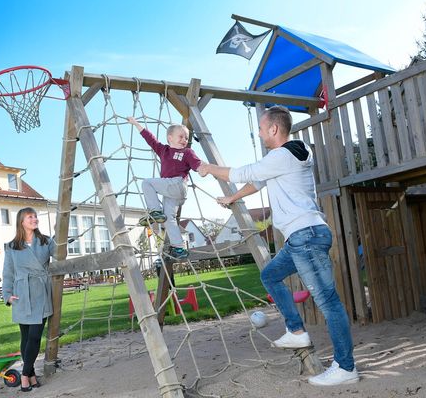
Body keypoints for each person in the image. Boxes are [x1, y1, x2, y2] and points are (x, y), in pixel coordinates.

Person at [197, 105, 358, 386]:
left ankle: (345, 367)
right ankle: (296, 331)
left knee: (329, 303)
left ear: (273, 129)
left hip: (305, 236)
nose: (259, 133)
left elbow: (243, 172)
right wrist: (233, 198)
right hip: (303, 237)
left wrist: (209, 168)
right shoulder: (294, 152)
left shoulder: (282, 155)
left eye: (261, 128)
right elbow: (257, 181)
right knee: (270, 275)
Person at [127, 117, 202, 259]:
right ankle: (179, 248)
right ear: (170, 138)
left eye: (186, 137)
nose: (184, 140)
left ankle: (155, 211)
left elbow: (196, 163)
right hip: (173, 194)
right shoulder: (164, 150)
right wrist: (137, 124)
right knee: (168, 219)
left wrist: (203, 168)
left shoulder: (187, 152)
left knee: (147, 183)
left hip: (177, 184)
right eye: (181, 136)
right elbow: (151, 139)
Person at [3, 207, 55, 392]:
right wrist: (7, 295)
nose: (34, 219)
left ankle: (24, 375)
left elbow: (59, 254)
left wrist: (61, 235)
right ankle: (32, 375)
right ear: (21, 222)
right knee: (25, 337)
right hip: (21, 294)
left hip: (40, 291)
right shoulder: (11, 247)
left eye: (35, 216)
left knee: (34, 335)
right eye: (30, 217)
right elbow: (8, 272)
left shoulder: (46, 241)